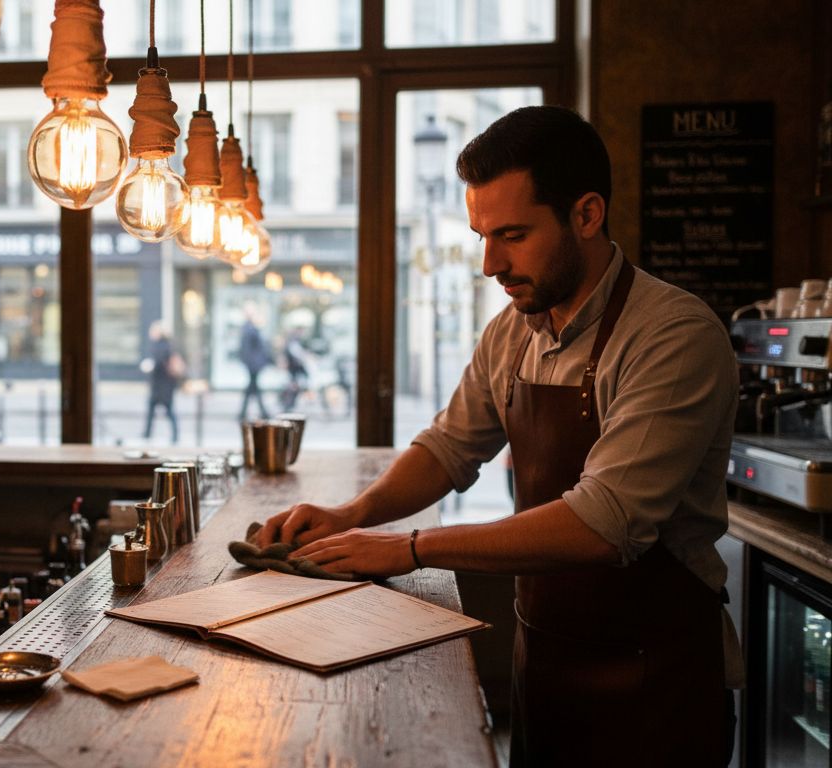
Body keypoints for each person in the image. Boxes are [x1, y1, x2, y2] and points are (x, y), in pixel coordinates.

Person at [255, 106, 739, 767]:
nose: (489, 263)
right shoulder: (514, 330)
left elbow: (604, 524)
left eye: (512, 234)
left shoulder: (673, 336)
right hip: (541, 656)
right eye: (482, 234)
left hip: (656, 679)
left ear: (587, 215)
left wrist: (412, 548)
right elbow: (451, 446)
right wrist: (352, 514)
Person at [140, 320, 180, 444]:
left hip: (162, 385)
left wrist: (150, 366)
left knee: (167, 410)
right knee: (159, 410)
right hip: (164, 384)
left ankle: (151, 434)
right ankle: (148, 433)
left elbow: (158, 362)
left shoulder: (161, 345)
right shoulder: (166, 344)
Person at [237, 302, 271, 422]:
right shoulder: (249, 328)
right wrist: (251, 363)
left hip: (254, 364)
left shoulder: (250, 327)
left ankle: (245, 413)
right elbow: (247, 349)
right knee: (253, 387)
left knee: (252, 388)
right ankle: (262, 412)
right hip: (253, 365)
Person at [279, 326, 311, 410]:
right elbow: (294, 354)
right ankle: (287, 404)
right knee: (294, 386)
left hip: (295, 368)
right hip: (294, 368)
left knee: (294, 386)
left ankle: (288, 404)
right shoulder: (293, 341)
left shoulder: (293, 341)